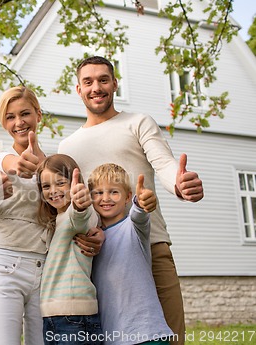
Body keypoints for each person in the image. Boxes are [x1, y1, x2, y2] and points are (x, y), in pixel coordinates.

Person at [58, 56, 204, 345]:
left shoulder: (137, 123)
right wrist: (78, 235)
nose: (96, 87)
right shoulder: (68, 146)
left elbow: (164, 164)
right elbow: (69, 205)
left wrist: (179, 183)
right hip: (102, 258)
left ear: (114, 83)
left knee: (172, 337)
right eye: (88, 82)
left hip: (153, 247)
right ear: (78, 89)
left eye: (103, 79)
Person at [0, 86, 49, 345]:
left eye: (25, 113)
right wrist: (17, 167)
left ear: (38, 114)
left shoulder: (55, 163)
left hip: (46, 267)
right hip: (5, 264)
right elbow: (10, 164)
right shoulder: (1, 158)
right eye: (10, 117)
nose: (19, 122)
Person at [89, 163, 174, 344]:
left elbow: (139, 214)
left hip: (148, 332)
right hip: (113, 336)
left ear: (127, 197)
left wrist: (142, 201)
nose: (106, 198)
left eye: (114, 192)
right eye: (98, 193)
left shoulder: (134, 227)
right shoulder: (93, 236)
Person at [36, 154, 102, 345]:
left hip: (73, 316)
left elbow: (80, 215)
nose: (53, 191)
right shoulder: (56, 222)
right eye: (46, 186)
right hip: (54, 315)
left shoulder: (75, 218)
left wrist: (80, 203)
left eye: (60, 183)